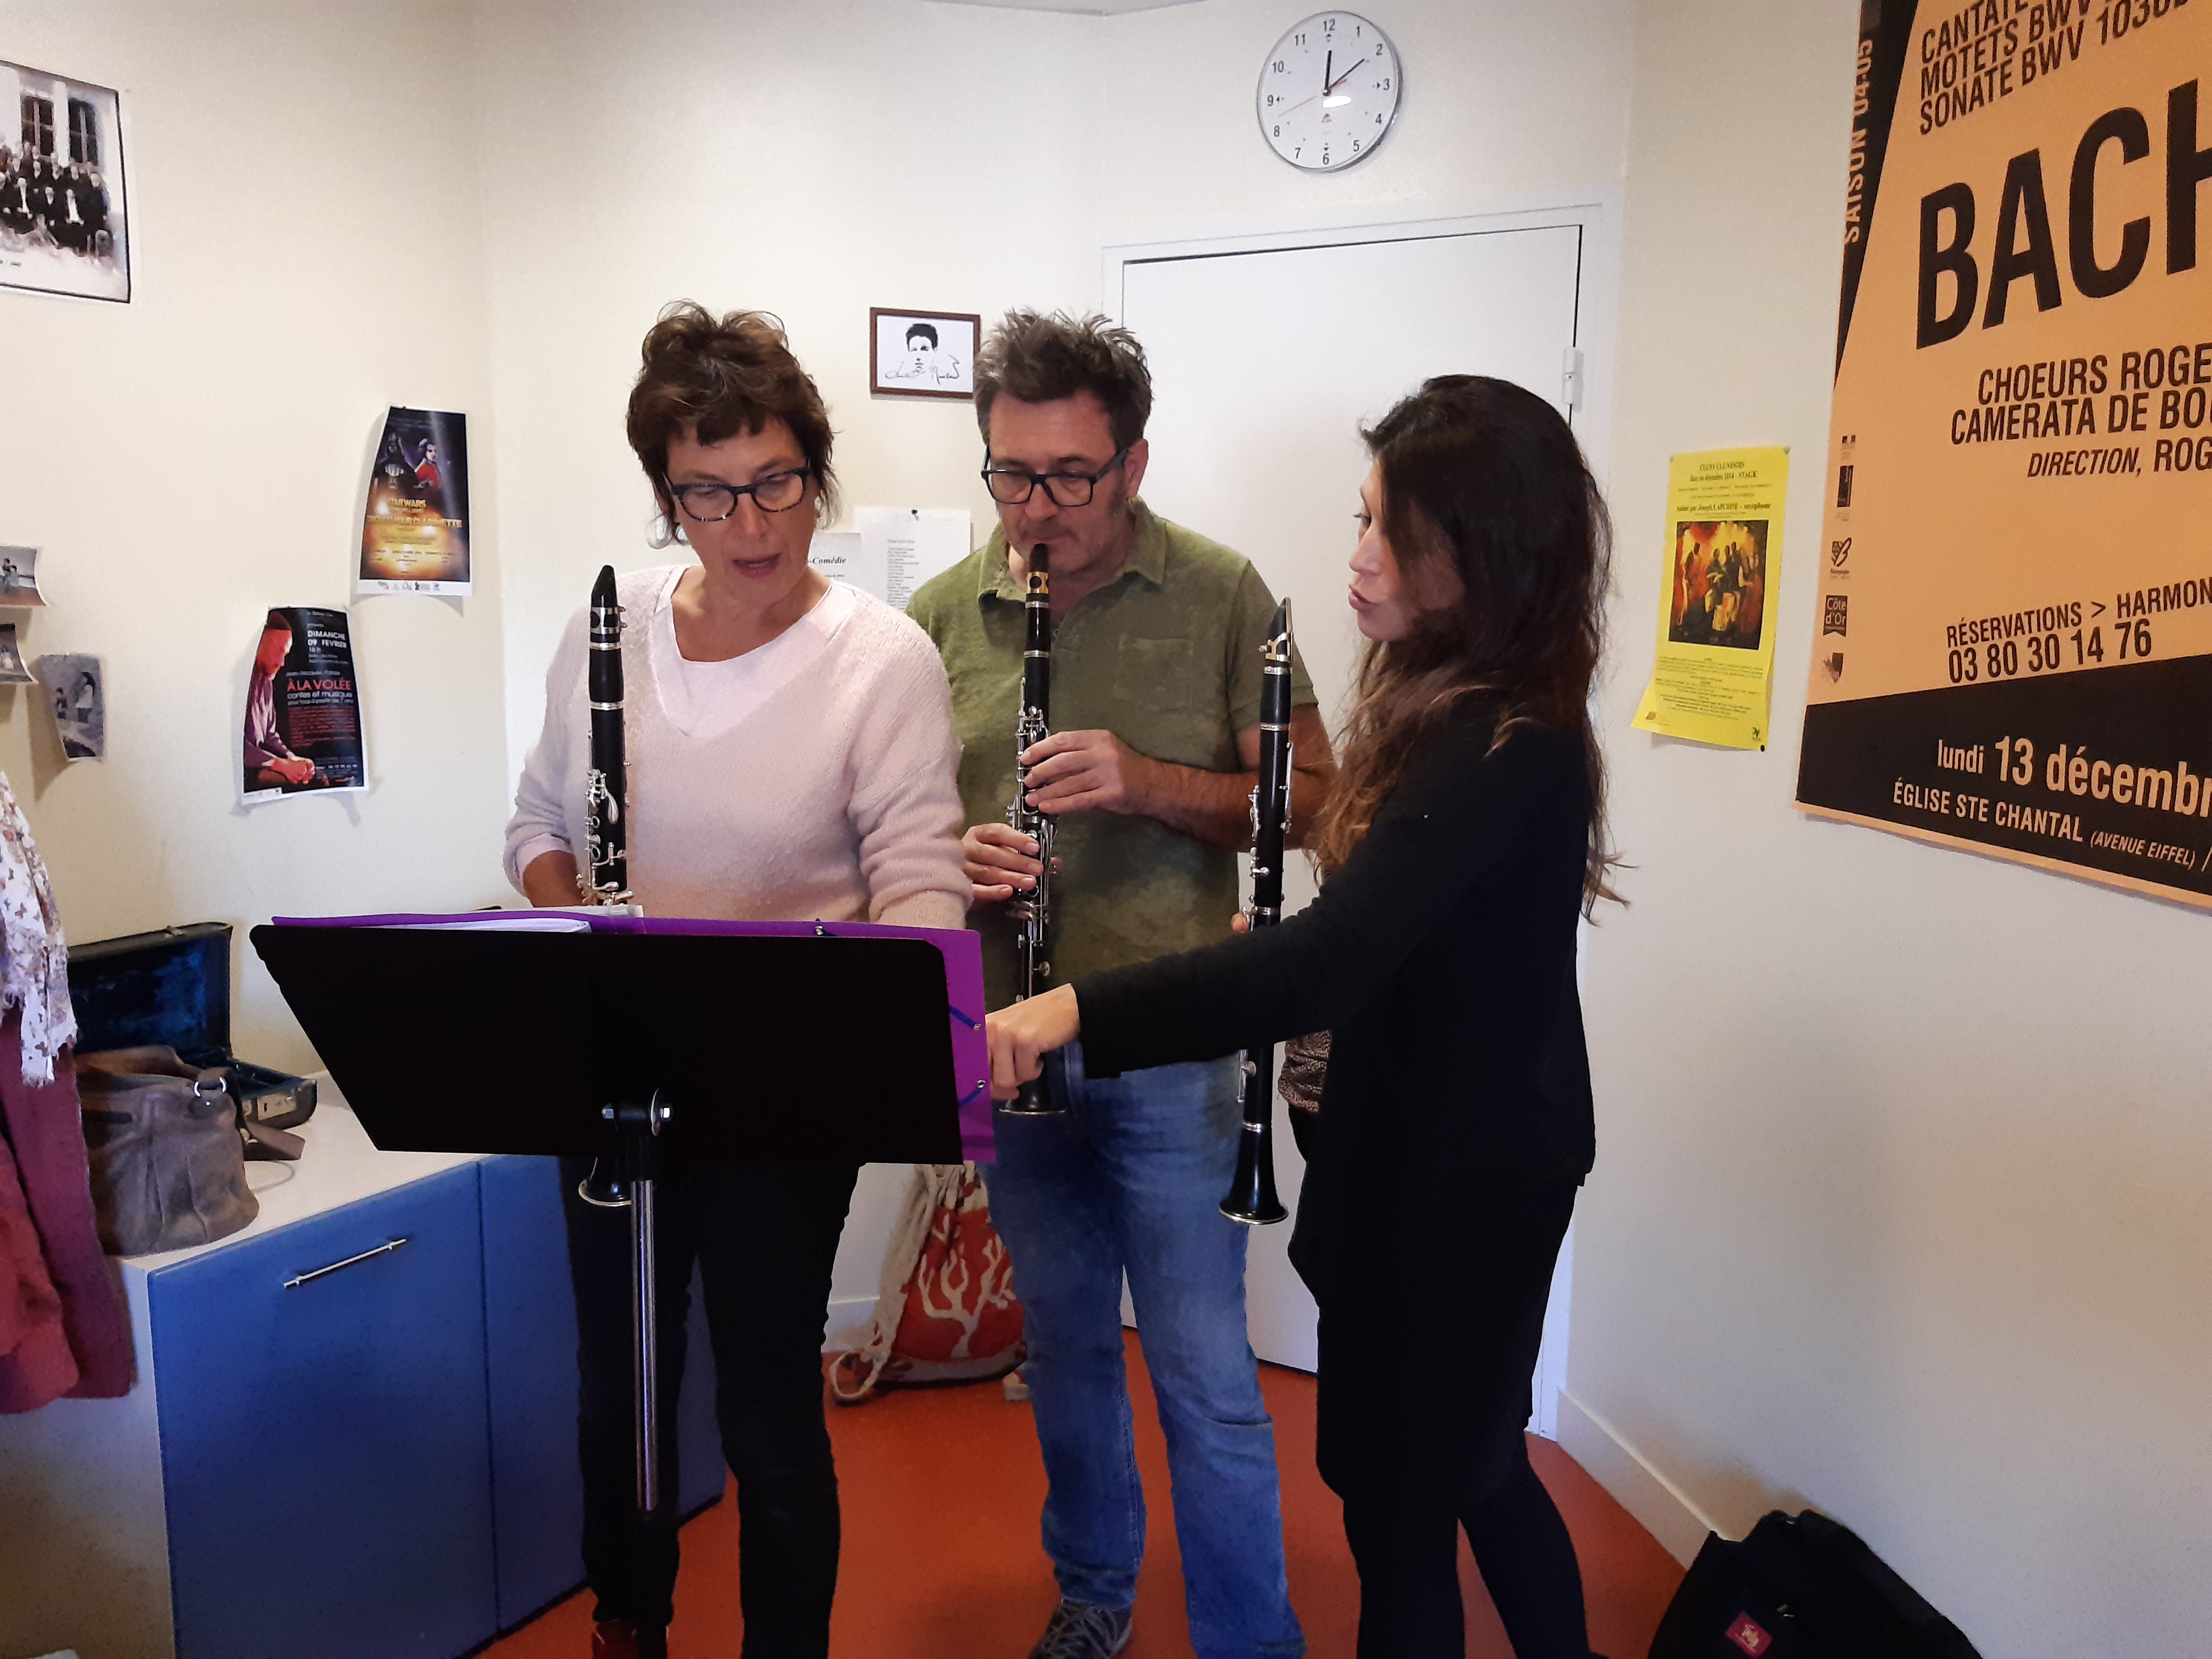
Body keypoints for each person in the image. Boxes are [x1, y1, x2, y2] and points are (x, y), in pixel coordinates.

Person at [985, 374, 1619, 1659]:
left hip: (1467, 1176)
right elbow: (1408, 935)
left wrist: (1075, 1007)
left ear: (1482, 556)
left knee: (1414, 1504)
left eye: (1395, 532)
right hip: (1425, 1148)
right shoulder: (1450, 706)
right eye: (1364, 518)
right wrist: (1317, 951)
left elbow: (1332, 962)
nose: (1360, 557)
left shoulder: (1502, 742)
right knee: (1461, 1469)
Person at [505, 301, 967, 1659]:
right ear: (669, 498)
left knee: (766, 1413)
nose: (750, 524)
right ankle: (628, 1621)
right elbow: (537, 823)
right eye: (707, 493)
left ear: (815, 472)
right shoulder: (607, 627)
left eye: (775, 482)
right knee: (618, 1394)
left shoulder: (883, 660)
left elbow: (919, 880)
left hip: (784, 1091)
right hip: (613, 1073)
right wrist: (579, 924)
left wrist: (908, 1011)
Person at [908, 310, 1334, 1659]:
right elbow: (896, 831)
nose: (1037, 508)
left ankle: (1247, 1638)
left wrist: (1147, 782)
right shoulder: (939, 616)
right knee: (1067, 1352)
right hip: (1011, 1044)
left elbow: (1316, 798)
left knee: (1204, 1371)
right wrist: (952, 856)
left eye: (1071, 476)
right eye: (1011, 473)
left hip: (1176, 1051)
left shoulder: (1223, 593)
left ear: (1134, 463)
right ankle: (1094, 1593)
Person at [243, 612, 315, 791]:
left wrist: (292, 758)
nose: (282, 663)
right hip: (242, 773)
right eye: (279, 652)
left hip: (263, 765)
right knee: (301, 784)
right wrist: (280, 765)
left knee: (314, 776)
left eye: (285, 654)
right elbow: (236, 746)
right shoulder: (240, 685)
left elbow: (269, 735)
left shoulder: (267, 684)